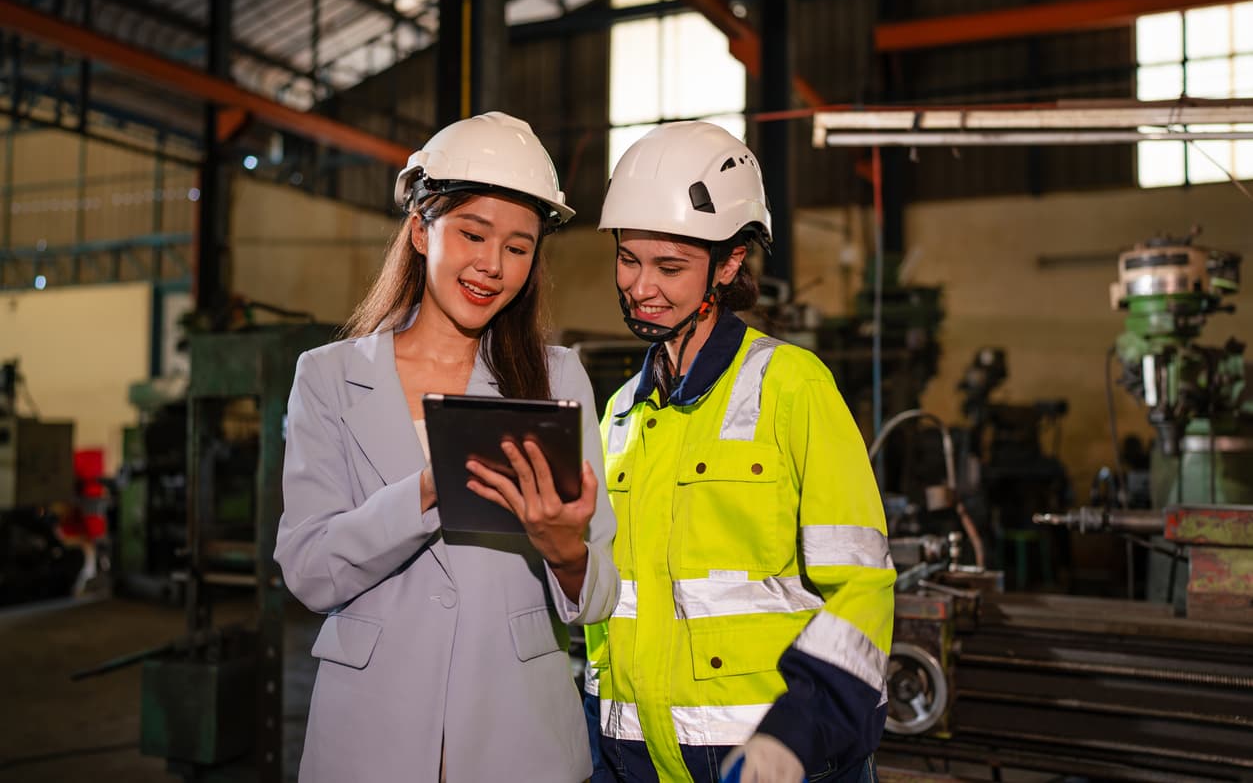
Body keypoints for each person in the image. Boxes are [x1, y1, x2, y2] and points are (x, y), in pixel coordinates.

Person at [275, 111, 619, 783]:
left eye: (518, 247)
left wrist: (564, 549)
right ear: (419, 229)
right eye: (471, 233)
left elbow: (602, 593)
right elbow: (309, 573)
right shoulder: (328, 377)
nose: (492, 265)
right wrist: (426, 491)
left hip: (517, 737)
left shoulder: (556, 378)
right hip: (368, 740)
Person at [584, 122, 894, 783]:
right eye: (629, 258)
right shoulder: (616, 414)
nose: (641, 286)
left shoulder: (792, 387)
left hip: (774, 759)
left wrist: (794, 737)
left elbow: (861, 591)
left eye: (669, 267)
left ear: (727, 265)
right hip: (631, 758)